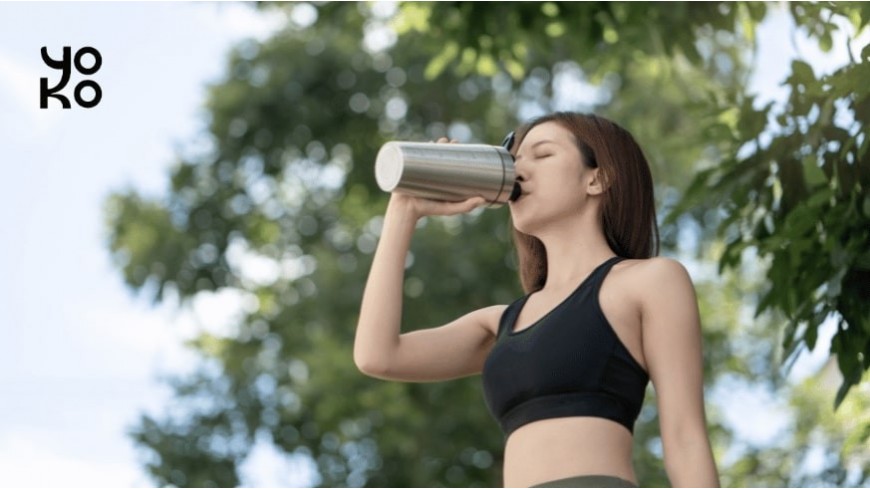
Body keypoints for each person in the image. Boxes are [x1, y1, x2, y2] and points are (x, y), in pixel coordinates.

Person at [353, 111, 720, 488]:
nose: (519, 170)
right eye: (514, 160)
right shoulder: (501, 323)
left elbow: (685, 438)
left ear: (598, 178)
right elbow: (377, 355)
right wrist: (404, 210)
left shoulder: (648, 281)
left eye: (542, 155)